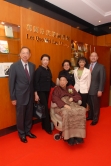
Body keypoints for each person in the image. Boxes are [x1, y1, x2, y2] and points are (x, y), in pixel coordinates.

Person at [9, 46, 36, 143]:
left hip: (30, 95)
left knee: (29, 115)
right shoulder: (14, 66)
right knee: (20, 116)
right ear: (20, 54)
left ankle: (28, 131)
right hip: (19, 96)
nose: (25, 55)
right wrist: (13, 98)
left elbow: (32, 82)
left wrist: (35, 94)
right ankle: (22, 134)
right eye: (23, 53)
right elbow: (11, 83)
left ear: (30, 55)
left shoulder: (33, 66)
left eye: (27, 53)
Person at [52, 75, 86, 146]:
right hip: (61, 106)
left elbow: (78, 95)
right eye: (61, 80)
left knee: (81, 110)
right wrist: (64, 105)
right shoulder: (56, 89)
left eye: (64, 80)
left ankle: (78, 135)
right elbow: (55, 98)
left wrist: (73, 98)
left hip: (72, 104)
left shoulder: (70, 88)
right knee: (67, 112)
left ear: (67, 82)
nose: (62, 82)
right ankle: (68, 136)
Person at [34, 54, 55, 134]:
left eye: (47, 60)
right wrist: (36, 94)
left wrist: (57, 86)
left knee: (45, 108)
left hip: (48, 91)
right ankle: (47, 128)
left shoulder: (48, 69)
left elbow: (50, 81)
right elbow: (35, 83)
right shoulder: (38, 70)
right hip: (41, 92)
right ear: (41, 61)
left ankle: (43, 125)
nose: (46, 61)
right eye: (44, 60)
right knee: (45, 109)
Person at [87, 52, 106, 125]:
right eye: (92, 56)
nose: (93, 57)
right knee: (90, 104)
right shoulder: (87, 66)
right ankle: (90, 116)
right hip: (87, 89)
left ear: (97, 57)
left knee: (96, 105)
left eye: (95, 56)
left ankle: (95, 119)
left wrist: (100, 90)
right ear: (89, 57)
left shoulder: (101, 67)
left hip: (96, 89)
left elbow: (102, 79)